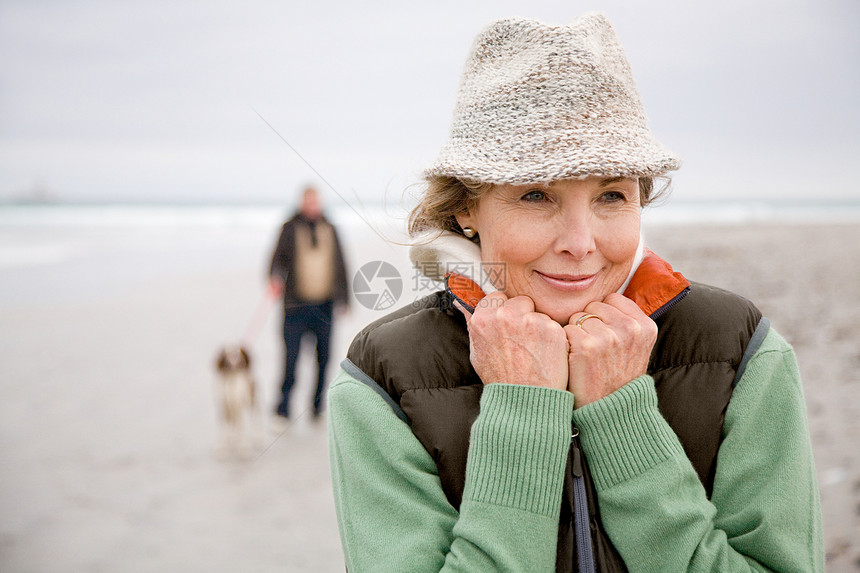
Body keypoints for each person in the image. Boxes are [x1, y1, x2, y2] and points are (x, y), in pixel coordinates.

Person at [327, 13, 823, 573]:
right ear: (466, 207)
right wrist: (523, 415)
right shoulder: (383, 379)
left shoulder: (742, 352)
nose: (580, 244)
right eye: (537, 194)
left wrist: (623, 424)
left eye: (611, 194)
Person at [269, 185, 349, 422]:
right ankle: (283, 410)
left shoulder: (331, 228)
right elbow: (276, 260)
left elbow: (341, 263)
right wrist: (274, 276)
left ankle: (316, 408)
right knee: (291, 359)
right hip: (295, 306)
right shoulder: (289, 227)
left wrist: (345, 299)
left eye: (316, 202)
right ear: (302, 203)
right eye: (309, 202)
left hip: (325, 306)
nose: (313, 206)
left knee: (324, 359)